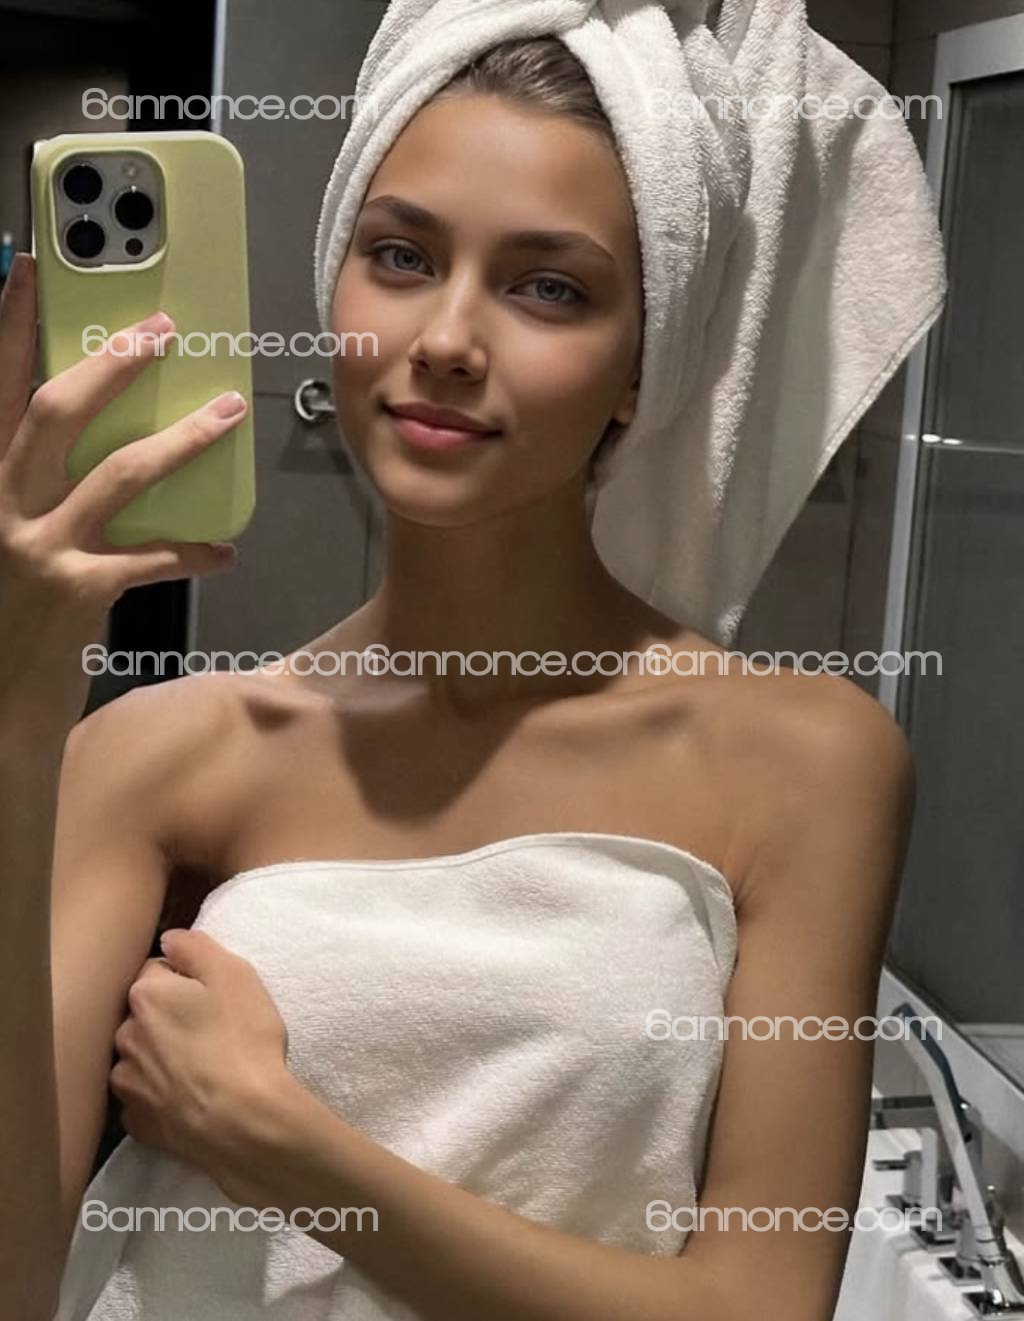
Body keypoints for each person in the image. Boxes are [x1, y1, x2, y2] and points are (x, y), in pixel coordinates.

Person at [1, 36, 914, 1321]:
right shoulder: (159, 750)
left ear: (643, 366)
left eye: (548, 288)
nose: (444, 339)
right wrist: (23, 698)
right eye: (401, 257)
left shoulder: (803, 759)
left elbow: (762, 1303)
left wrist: (281, 1141)